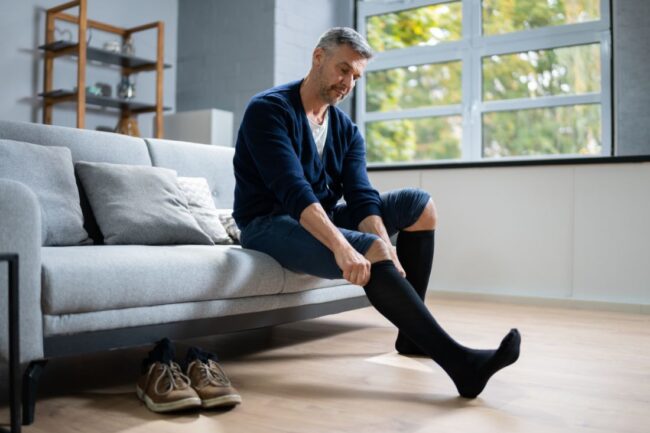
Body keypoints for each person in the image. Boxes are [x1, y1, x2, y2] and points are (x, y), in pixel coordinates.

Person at [233, 27, 520, 399]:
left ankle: (411, 338)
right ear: (318, 58)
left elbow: (361, 196)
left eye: (355, 76)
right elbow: (294, 191)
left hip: (320, 213)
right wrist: (345, 247)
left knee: (420, 206)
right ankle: (463, 366)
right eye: (343, 70)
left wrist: (387, 245)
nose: (347, 83)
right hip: (267, 223)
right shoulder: (268, 110)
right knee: (369, 245)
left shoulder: (345, 130)